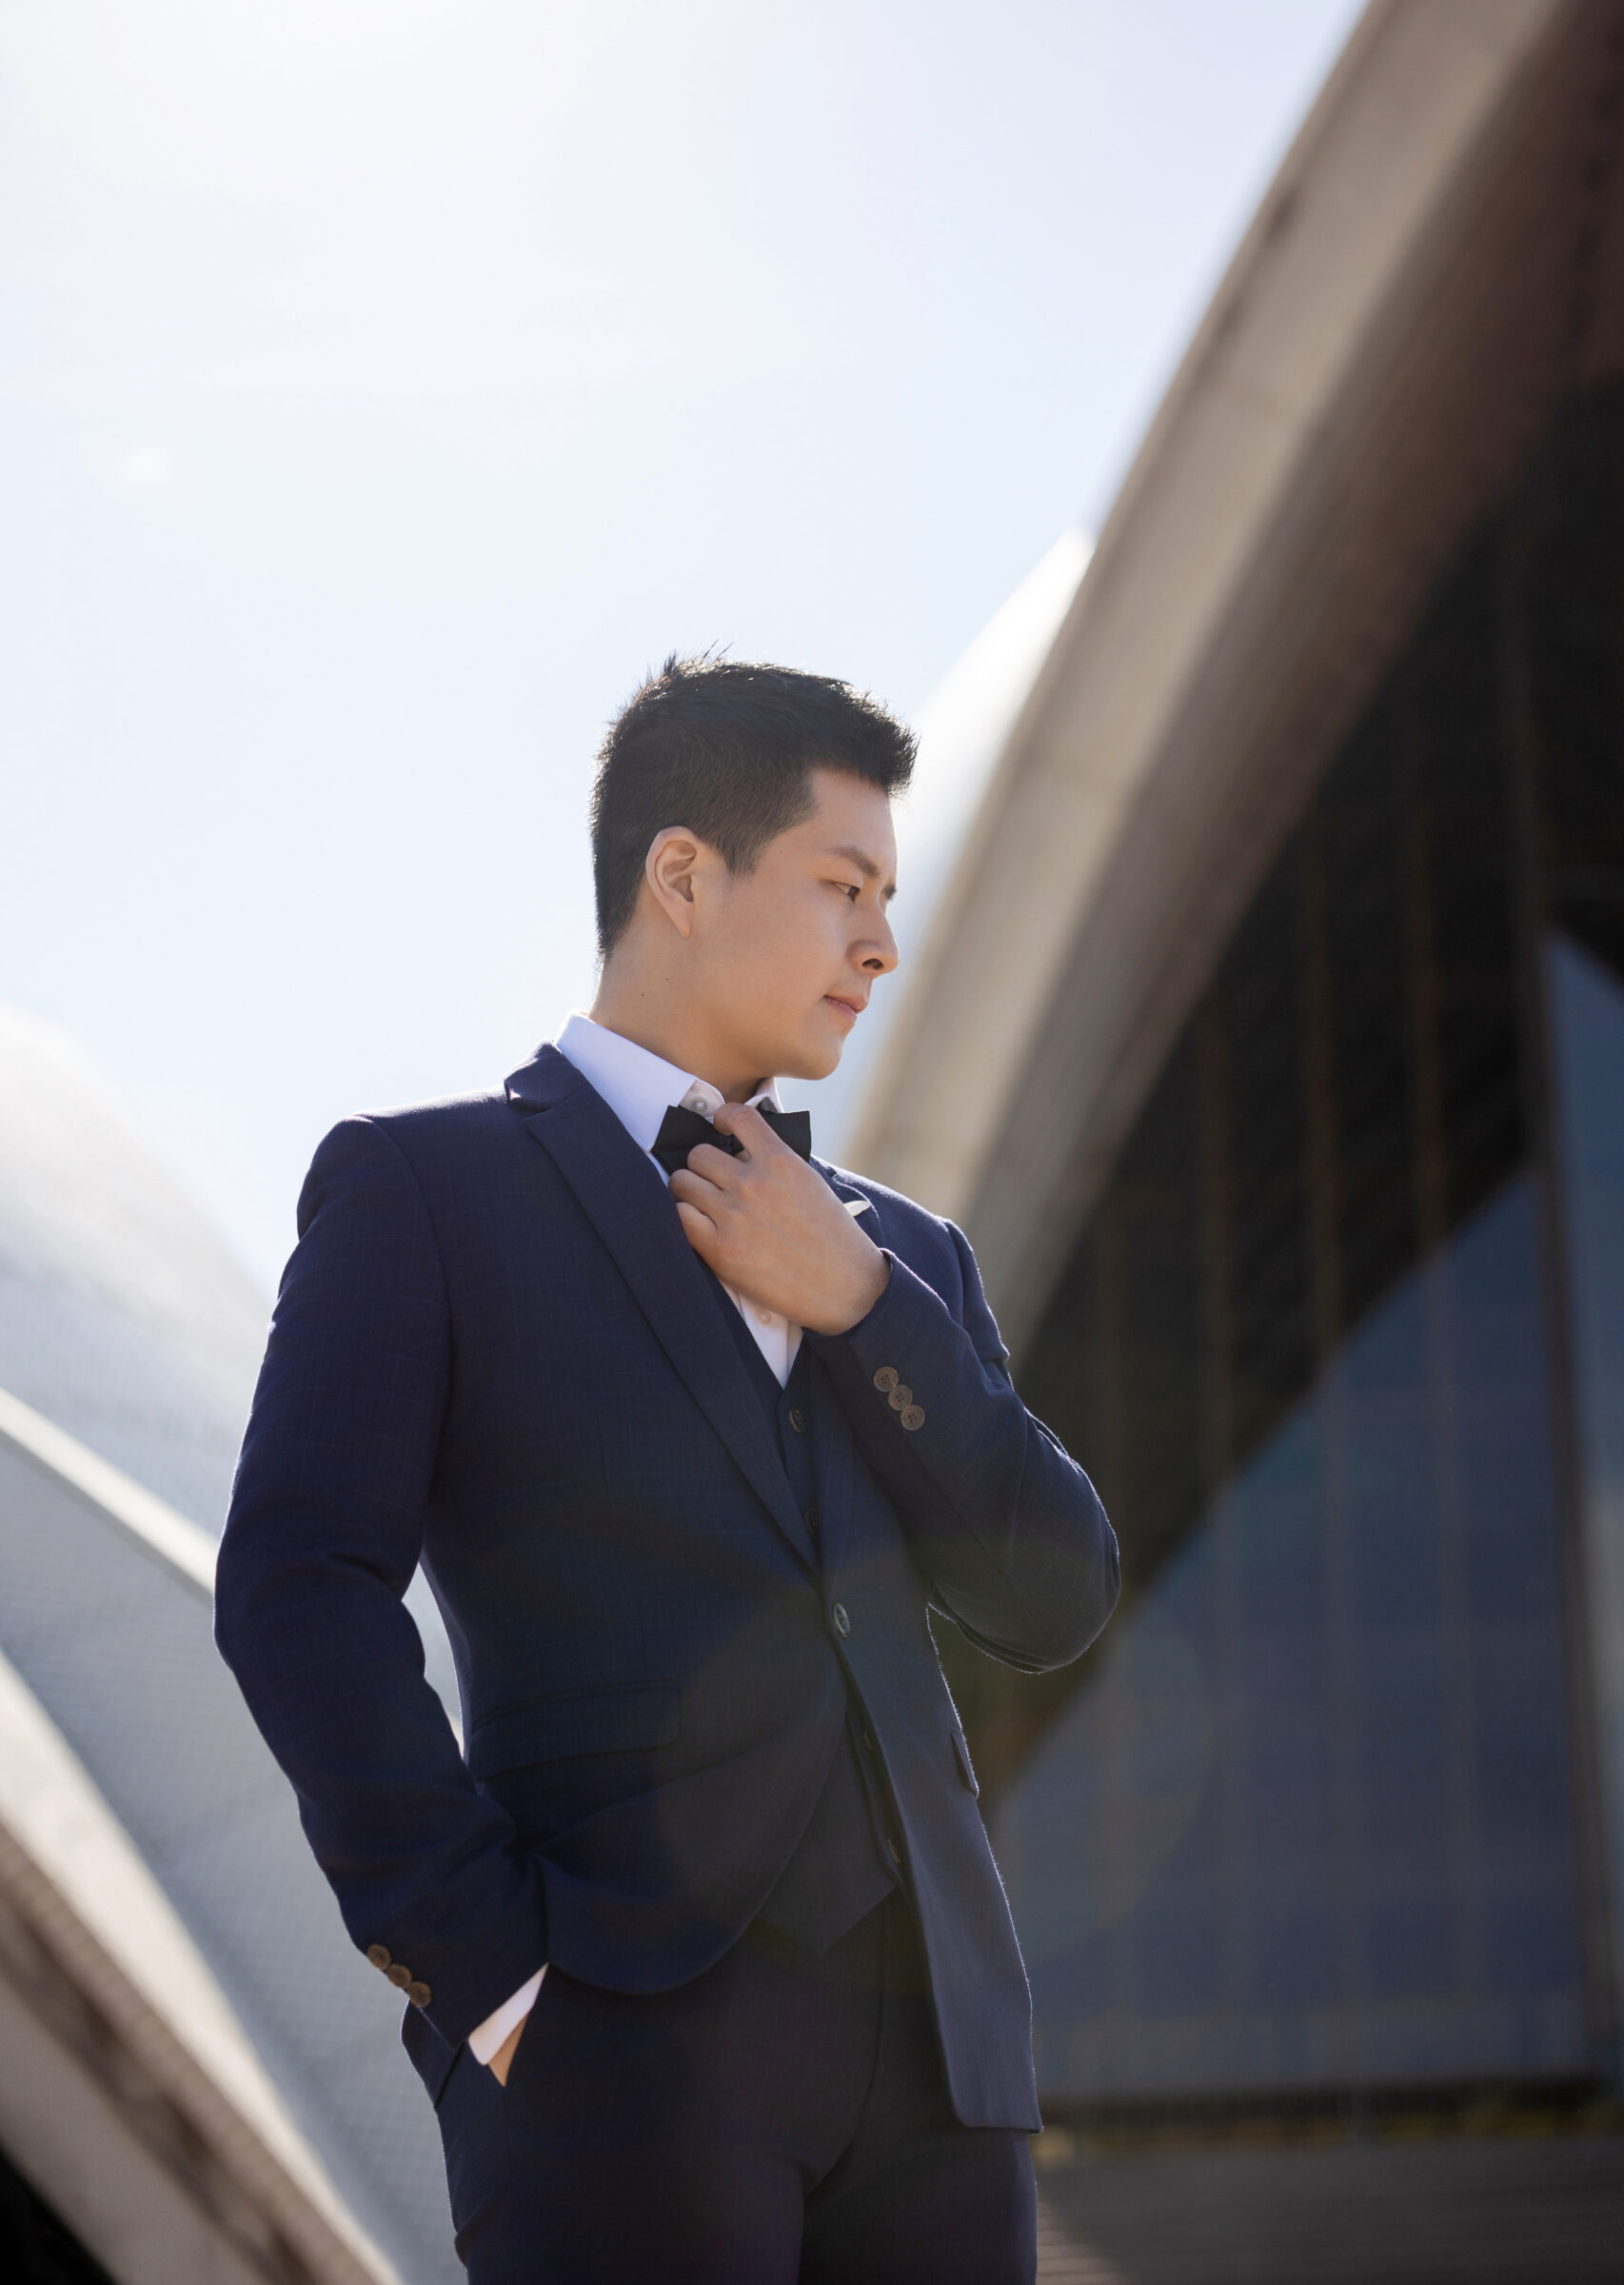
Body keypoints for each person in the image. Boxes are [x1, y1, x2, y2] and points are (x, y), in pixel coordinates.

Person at [215, 657, 1119, 2284]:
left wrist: (861, 1305)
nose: (883, 945)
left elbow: (1050, 1596)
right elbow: (296, 1588)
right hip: (611, 2041)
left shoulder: (906, 1256)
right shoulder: (423, 1192)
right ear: (684, 877)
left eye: (889, 897)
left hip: (940, 2068)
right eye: (842, 885)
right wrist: (490, 1974)